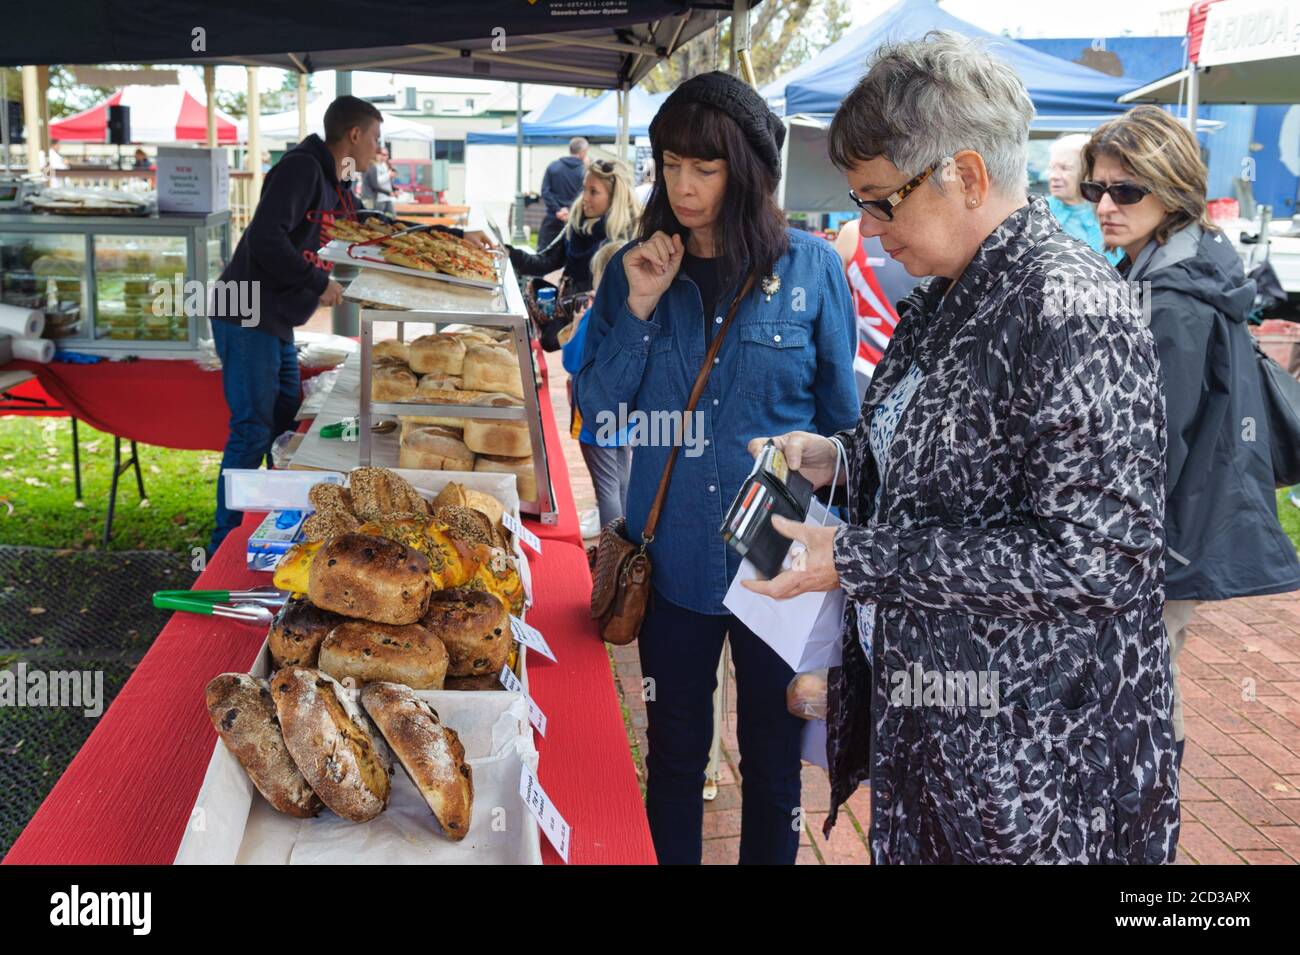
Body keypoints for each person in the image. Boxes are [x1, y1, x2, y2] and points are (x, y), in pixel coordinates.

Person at [744, 33, 1180, 864]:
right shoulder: (955, 292)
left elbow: (1099, 562)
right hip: (946, 744)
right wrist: (841, 459)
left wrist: (864, 558)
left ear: (969, 176)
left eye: (882, 202)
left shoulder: (1070, 309)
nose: (868, 233)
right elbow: (949, 466)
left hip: (1041, 772)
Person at [576, 71, 859, 865]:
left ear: (748, 170)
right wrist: (635, 307)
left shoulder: (812, 270)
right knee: (673, 755)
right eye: (670, 164)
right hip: (671, 559)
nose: (684, 186)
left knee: (770, 766)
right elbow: (599, 413)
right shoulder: (635, 269)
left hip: (775, 561)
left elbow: (844, 425)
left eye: (706, 167)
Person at [1084, 106, 1300, 770]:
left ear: (1171, 190)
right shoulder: (1172, 268)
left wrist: (1102, 544)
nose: (1106, 206)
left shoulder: (1170, 298)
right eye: (1096, 188)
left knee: (1135, 692)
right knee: (1147, 683)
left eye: (1126, 190)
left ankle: (1144, 833)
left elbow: (1151, 444)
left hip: (1159, 536)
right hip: (1173, 527)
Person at [207, 95, 382, 553]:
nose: (376, 151)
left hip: (277, 319)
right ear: (355, 135)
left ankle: (268, 521)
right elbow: (265, 236)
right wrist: (315, 280)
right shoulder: (303, 169)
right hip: (246, 312)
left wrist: (450, 237)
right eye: (376, 140)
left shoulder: (338, 181)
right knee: (252, 427)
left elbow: (366, 225)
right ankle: (222, 542)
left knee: (285, 421)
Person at [561, 241, 631, 529]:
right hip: (625, 414)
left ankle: (612, 552)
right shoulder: (633, 311)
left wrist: (576, 326)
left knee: (605, 487)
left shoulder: (595, 316)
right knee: (622, 477)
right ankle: (628, 538)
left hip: (595, 415)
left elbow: (571, 360)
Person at [507, 157, 639, 295]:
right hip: (571, 310)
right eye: (584, 189)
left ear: (615, 197)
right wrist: (510, 253)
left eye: (593, 191)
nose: (585, 198)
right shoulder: (576, 224)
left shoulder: (625, 240)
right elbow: (546, 261)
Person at [1046, 133, 1121, 265]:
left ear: (1086, 173)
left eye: (1065, 168)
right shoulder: (1041, 213)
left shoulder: (1110, 209)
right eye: (1052, 168)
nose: (1054, 176)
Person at [538, 137, 588, 249]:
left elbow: (545, 191)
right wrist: (570, 211)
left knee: (545, 252)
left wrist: (558, 210)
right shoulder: (585, 171)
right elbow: (584, 194)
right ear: (583, 152)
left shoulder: (553, 166)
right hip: (575, 221)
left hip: (552, 219)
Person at [362, 147, 396, 215]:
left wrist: (393, 190)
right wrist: (389, 193)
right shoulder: (372, 166)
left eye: (386, 155)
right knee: (372, 217)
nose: (383, 157)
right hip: (371, 197)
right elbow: (375, 184)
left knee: (386, 217)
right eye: (381, 154)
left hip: (373, 197)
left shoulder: (383, 165)